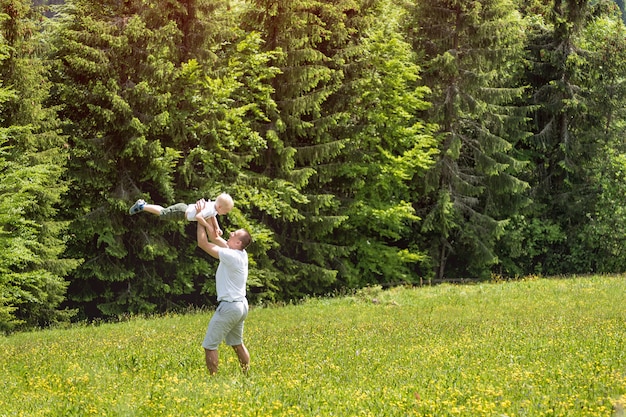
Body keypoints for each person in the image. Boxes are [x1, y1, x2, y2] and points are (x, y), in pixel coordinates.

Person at [195, 199, 252, 375]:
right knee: (237, 343)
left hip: (230, 307)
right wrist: (210, 216)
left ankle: (213, 380)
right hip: (241, 305)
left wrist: (199, 220)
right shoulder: (241, 253)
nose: (231, 232)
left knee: (210, 345)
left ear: (237, 243)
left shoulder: (231, 255)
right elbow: (215, 237)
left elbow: (203, 244)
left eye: (235, 234)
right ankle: (246, 374)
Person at [129, 193, 233, 236]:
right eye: (225, 211)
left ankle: (143, 205)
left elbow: (212, 216)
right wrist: (208, 226)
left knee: (163, 212)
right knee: (163, 213)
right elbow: (198, 217)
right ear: (220, 207)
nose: (225, 214)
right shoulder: (211, 208)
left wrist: (217, 228)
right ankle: (142, 206)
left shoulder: (214, 208)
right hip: (181, 212)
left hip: (183, 211)